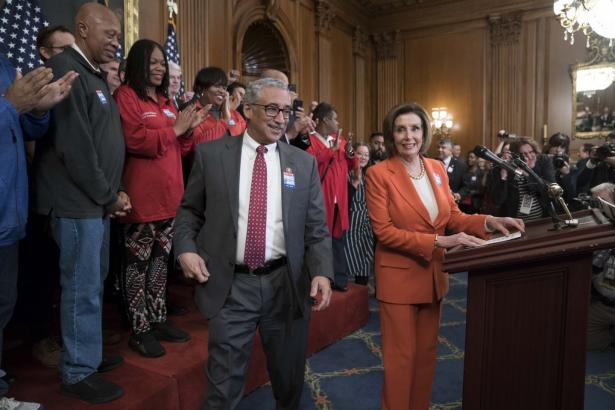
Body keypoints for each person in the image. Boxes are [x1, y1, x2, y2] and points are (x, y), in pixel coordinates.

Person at [174, 77, 333, 409]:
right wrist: (186, 249)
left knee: (289, 385)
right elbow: (189, 212)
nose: (280, 118)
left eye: (286, 111)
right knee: (222, 390)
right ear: (247, 109)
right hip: (231, 287)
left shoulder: (302, 165)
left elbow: (316, 228)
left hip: (286, 286)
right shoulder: (211, 155)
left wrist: (322, 272)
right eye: (272, 109)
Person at [365, 102, 524, 410]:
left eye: (415, 128)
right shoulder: (378, 174)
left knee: (426, 359)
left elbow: (452, 214)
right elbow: (384, 232)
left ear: (424, 132)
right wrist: (440, 241)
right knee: (401, 362)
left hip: (434, 277)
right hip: (399, 279)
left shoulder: (436, 169)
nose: (408, 136)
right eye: (401, 129)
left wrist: (488, 221)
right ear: (391, 134)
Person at [33, 3, 129, 403]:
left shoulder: (89, 74)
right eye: (109, 34)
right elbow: (76, 149)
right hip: (77, 204)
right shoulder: (67, 70)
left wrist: (109, 196)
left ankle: (85, 353)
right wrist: (109, 195)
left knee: (93, 282)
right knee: (82, 288)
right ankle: (77, 371)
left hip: (93, 204)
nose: (116, 43)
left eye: (119, 37)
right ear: (84, 28)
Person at [114, 39, 200, 358]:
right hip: (141, 198)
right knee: (137, 266)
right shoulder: (126, 96)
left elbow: (180, 148)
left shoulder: (166, 100)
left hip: (170, 197)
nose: (159, 68)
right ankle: (139, 328)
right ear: (137, 63)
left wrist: (188, 131)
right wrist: (175, 130)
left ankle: (158, 318)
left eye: (162, 63)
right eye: (152, 62)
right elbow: (134, 140)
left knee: (161, 264)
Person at [0, 52, 77, 410]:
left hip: (9, 212)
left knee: (4, 303)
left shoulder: (3, 61)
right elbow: (7, 113)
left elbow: (27, 129)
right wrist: (10, 106)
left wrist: (37, 109)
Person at [306, 102, 359, 291]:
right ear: (325, 120)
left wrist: (351, 152)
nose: (337, 122)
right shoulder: (308, 140)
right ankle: (318, 279)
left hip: (340, 200)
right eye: (334, 118)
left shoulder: (340, 139)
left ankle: (340, 278)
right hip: (320, 200)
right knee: (319, 240)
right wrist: (331, 151)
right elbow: (308, 163)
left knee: (339, 240)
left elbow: (352, 164)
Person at [489, 137, 556, 221]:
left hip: (543, 219)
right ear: (515, 155)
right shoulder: (503, 167)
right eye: (523, 154)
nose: (529, 156)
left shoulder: (543, 161)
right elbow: (497, 200)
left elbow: (551, 189)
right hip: (514, 222)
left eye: (531, 152)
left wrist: (528, 172)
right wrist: (503, 176)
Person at [587, 182, 615, 351]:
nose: (600, 207)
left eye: (603, 202)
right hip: (602, 304)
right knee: (584, 345)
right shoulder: (600, 223)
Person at [190, 66, 246, 145]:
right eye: (216, 86)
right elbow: (197, 146)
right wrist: (224, 121)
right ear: (202, 88)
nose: (222, 91)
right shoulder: (192, 112)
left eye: (224, 87)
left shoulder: (234, 114)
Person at [344, 143, 374, 286]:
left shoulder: (370, 174)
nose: (363, 157)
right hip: (350, 220)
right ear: (353, 154)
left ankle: (362, 288)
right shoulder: (347, 172)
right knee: (348, 254)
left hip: (366, 221)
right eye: (360, 153)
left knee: (366, 256)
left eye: (366, 154)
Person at [437, 138, 467, 202]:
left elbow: (466, 186)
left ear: (451, 150)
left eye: (443, 148)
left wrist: (459, 194)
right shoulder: (432, 163)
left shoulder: (460, 166)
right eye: (438, 147)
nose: (439, 150)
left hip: (453, 202)